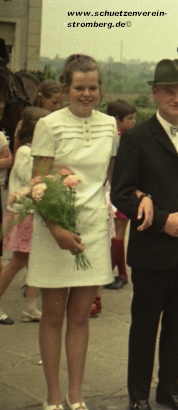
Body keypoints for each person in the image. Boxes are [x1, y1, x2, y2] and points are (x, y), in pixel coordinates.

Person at [111, 56, 178, 410]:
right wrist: (161, 220)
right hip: (153, 248)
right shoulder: (138, 138)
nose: (177, 98)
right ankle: (138, 395)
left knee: (177, 324)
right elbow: (122, 193)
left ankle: (169, 389)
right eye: (169, 92)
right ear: (155, 94)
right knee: (145, 325)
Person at [28, 54, 118, 410]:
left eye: (92, 87)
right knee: (52, 315)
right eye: (79, 88)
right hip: (54, 230)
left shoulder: (110, 125)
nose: (86, 94)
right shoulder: (49, 124)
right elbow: (38, 183)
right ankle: (52, 397)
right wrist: (56, 228)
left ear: (100, 89)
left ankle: (76, 396)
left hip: (92, 230)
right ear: (66, 88)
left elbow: (105, 179)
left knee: (80, 317)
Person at [0, 107, 49, 325]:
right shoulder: (26, 153)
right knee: (17, 261)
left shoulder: (31, 151)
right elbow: (33, 181)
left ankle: (30, 307)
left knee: (33, 261)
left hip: (28, 214)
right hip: (24, 214)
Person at [103, 99, 137, 291]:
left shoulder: (119, 136)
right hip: (118, 188)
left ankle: (110, 273)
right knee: (118, 235)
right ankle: (120, 273)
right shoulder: (122, 137)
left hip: (114, 188)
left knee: (118, 234)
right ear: (117, 120)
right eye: (130, 118)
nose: (133, 122)